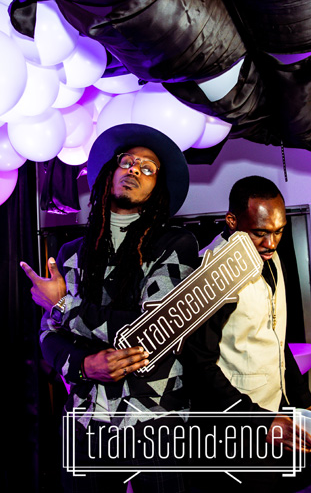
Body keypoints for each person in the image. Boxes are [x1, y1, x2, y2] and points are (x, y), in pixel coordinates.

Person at [20, 123, 200, 493]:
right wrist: (84, 365)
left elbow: (152, 328)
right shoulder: (71, 253)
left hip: (155, 418)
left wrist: (64, 305)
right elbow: (48, 334)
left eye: (148, 168)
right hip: (86, 420)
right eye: (127, 161)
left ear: (158, 188)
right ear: (109, 173)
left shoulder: (175, 245)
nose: (134, 169)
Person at [184, 175, 311, 492]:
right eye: (260, 233)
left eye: (279, 231)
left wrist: (304, 400)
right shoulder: (213, 270)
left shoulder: (271, 257)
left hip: (271, 418)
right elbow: (197, 363)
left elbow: (276, 339)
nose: (271, 243)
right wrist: (259, 421)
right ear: (232, 221)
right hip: (231, 431)